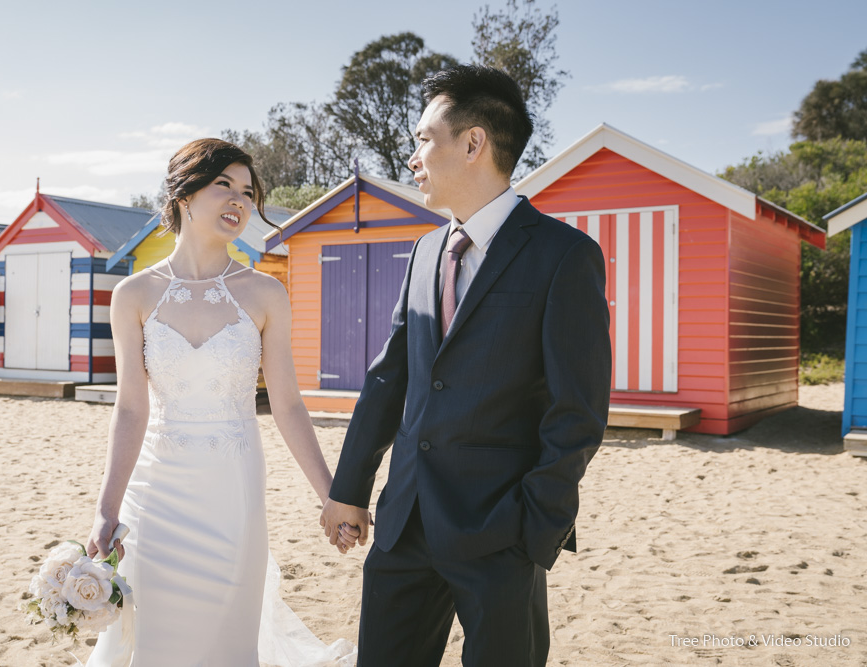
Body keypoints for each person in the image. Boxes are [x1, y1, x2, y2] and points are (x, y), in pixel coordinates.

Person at [320, 65, 612, 666]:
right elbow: (388, 376)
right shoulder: (426, 250)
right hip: (403, 524)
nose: (412, 157)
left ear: (473, 143)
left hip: (501, 531)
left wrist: (535, 528)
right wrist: (350, 490)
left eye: (424, 139)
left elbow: (577, 412)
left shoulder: (564, 256)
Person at [84, 139, 357, 666]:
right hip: (156, 493)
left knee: (226, 639)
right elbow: (131, 409)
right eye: (223, 186)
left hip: (232, 492)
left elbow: (288, 405)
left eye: (248, 192)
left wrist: (330, 495)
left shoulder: (265, 294)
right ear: (185, 194)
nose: (239, 200)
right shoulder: (133, 295)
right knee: (154, 638)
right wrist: (106, 508)